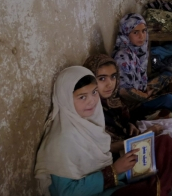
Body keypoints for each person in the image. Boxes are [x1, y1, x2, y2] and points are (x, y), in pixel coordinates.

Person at [34, 66, 147, 195]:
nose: (92, 101)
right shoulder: (62, 140)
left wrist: (130, 167)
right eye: (82, 97)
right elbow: (67, 192)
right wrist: (114, 170)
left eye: (94, 92)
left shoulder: (89, 125)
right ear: (65, 99)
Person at [83, 55, 172, 195]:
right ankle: (156, 186)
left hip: (127, 145)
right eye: (102, 78)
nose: (109, 84)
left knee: (167, 144)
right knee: (167, 146)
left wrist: (130, 125)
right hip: (115, 161)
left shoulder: (112, 101)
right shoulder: (90, 109)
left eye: (113, 77)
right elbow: (105, 147)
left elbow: (123, 120)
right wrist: (144, 136)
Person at [112, 13, 172, 116]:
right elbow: (124, 92)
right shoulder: (123, 57)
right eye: (135, 32)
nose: (141, 36)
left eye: (144, 31)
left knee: (169, 75)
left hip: (141, 89)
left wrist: (149, 88)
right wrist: (146, 95)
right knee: (170, 100)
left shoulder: (139, 50)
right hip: (132, 105)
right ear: (126, 33)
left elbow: (141, 78)